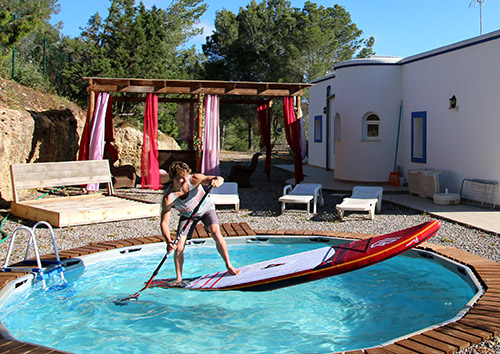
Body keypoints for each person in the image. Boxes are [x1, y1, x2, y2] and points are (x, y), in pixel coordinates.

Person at [160, 161, 240, 285]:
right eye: (180, 179)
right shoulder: (169, 197)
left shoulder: (194, 179)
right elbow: (164, 223)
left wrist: (217, 181)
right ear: (173, 179)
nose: (184, 181)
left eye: (185, 177)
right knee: (179, 245)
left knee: (216, 233)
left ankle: (229, 266)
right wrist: (168, 241)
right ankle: (179, 278)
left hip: (206, 210)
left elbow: (218, 178)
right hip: (187, 216)